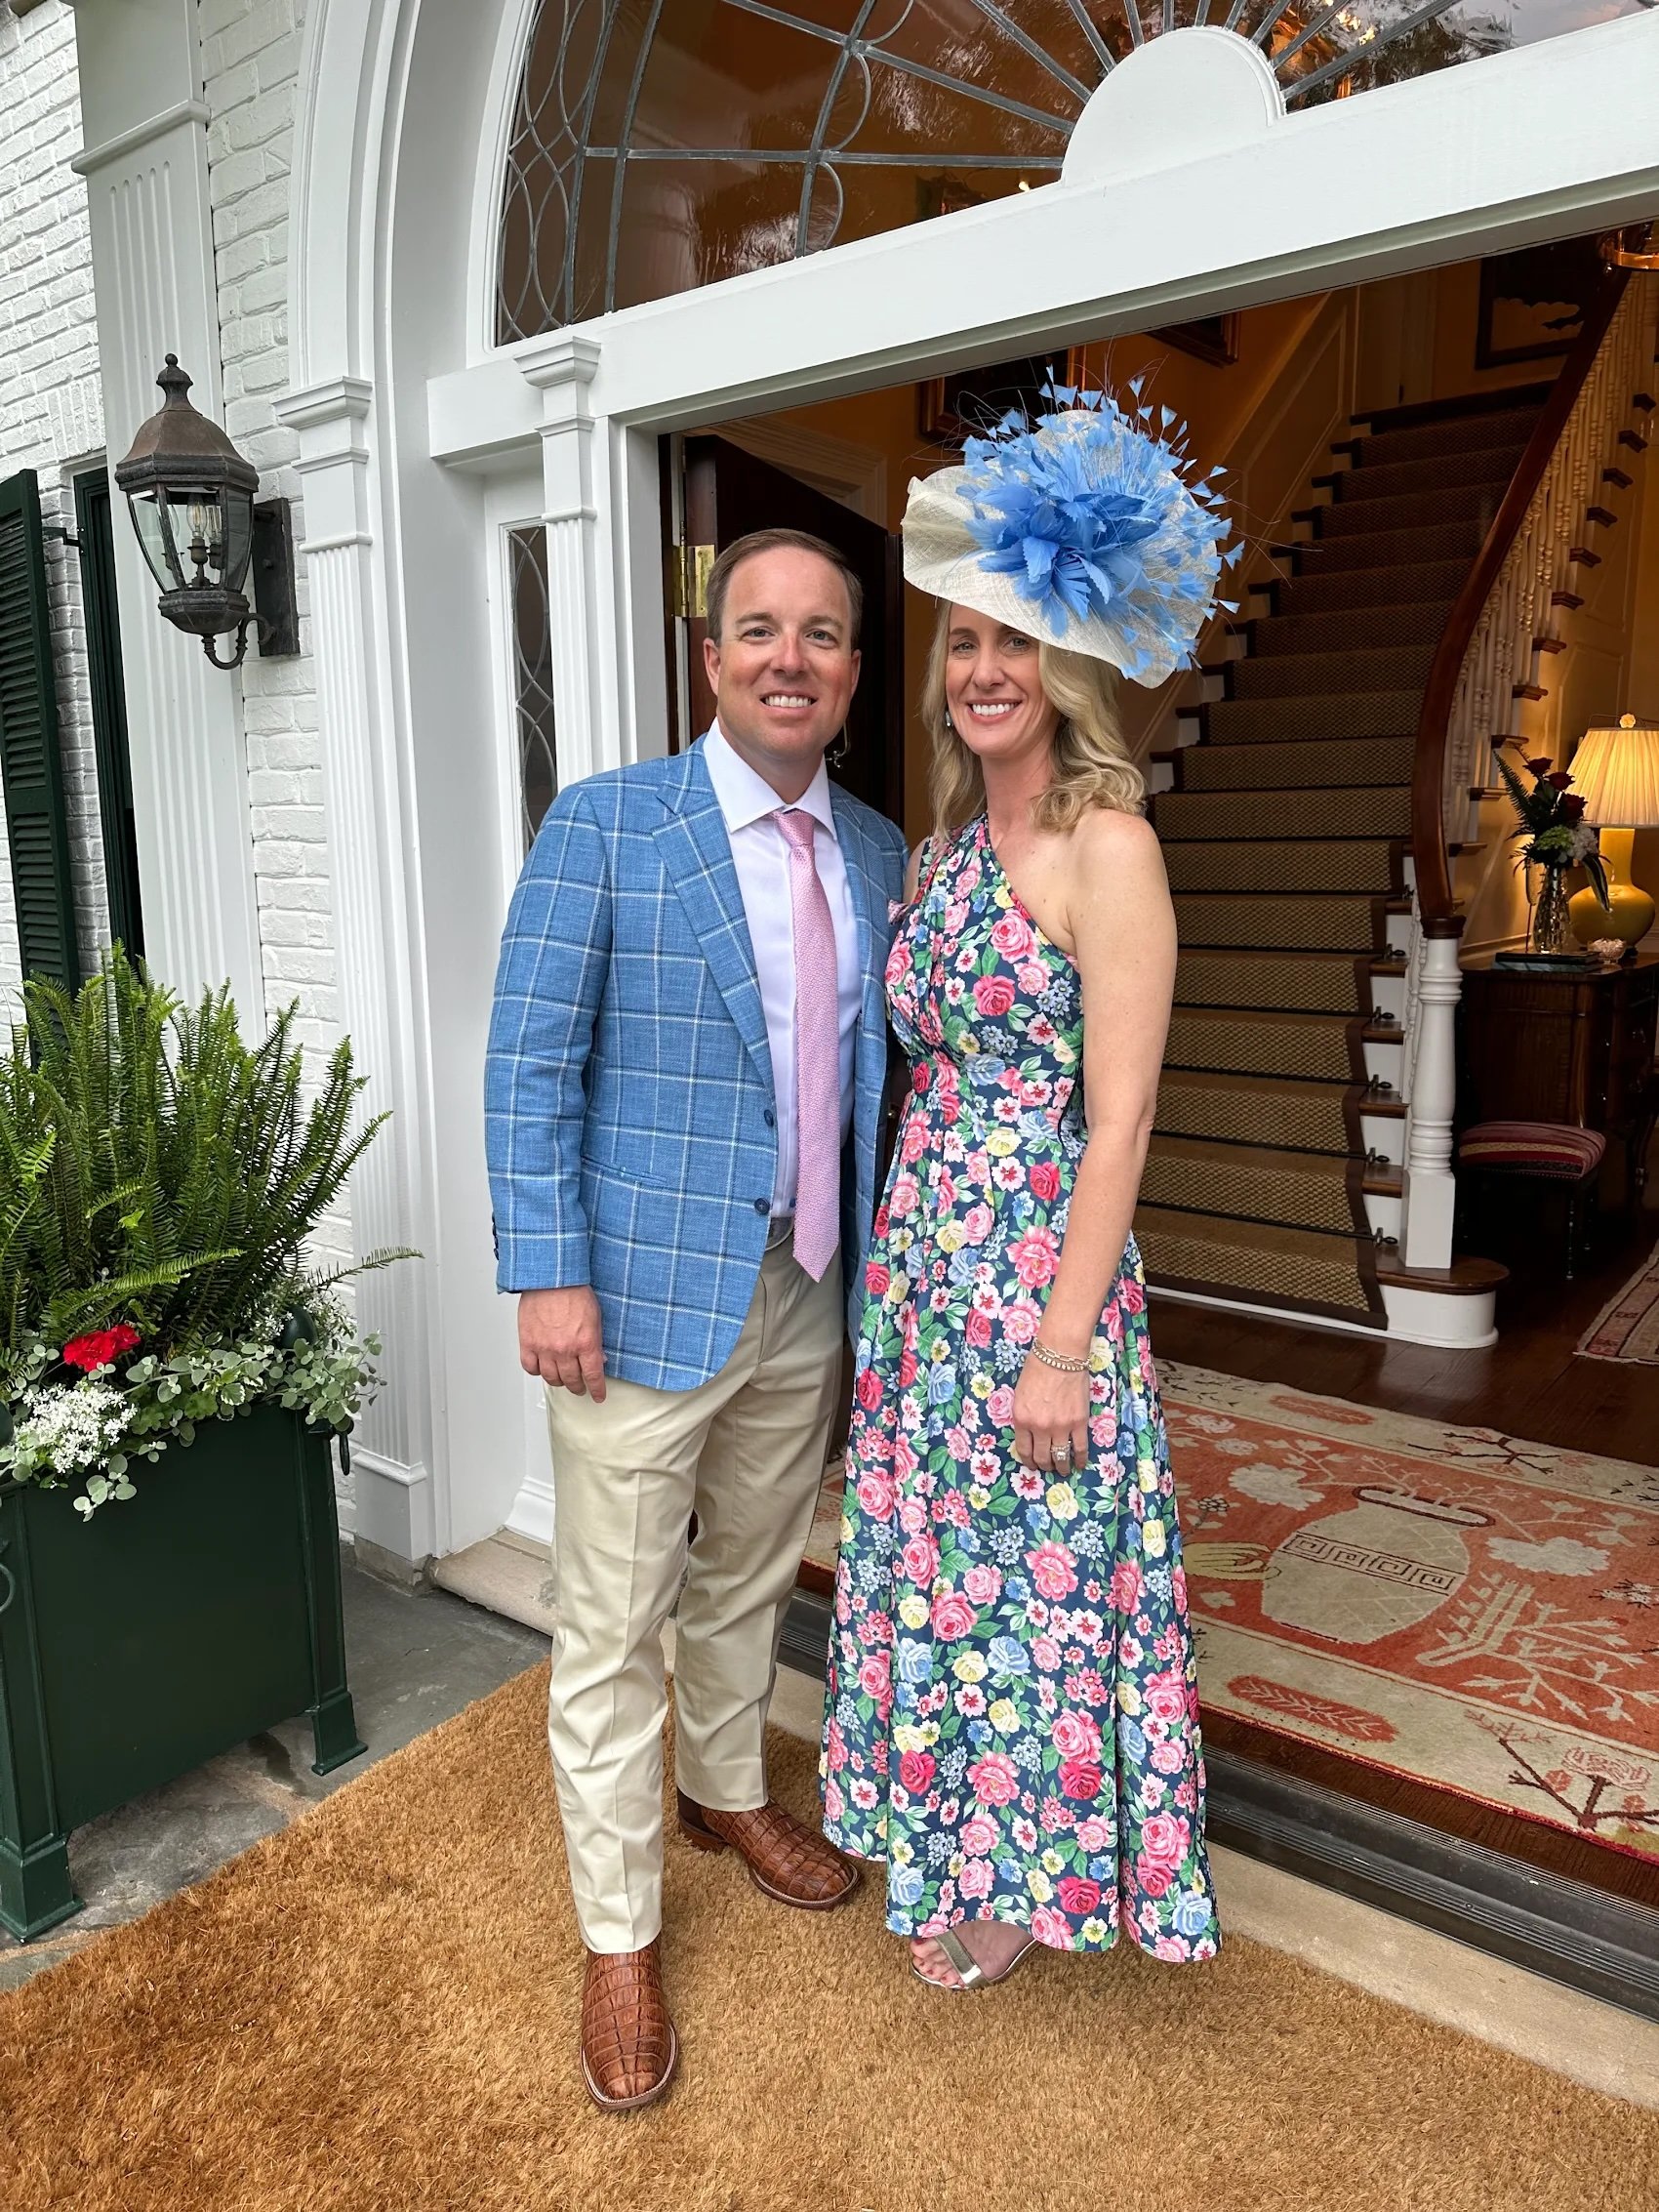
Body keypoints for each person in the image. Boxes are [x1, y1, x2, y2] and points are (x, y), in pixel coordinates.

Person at [486, 527, 908, 2109]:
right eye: (761, 630)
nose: (791, 657)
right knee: (611, 1625)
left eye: (823, 633)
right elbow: (530, 1057)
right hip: (634, 1300)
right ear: (711, 656)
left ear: (852, 670)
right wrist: (547, 1267)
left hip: (807, 1284)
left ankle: (725, 1789)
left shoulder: (877, 850)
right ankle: (618, 1935)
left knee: (749, 1572)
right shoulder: (608, 823)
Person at [821, 391, 1234, 1989]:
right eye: (962, 641)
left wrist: (1063, 1345)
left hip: (1037, 1279)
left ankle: (1020, 1879)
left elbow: (1122, 1120)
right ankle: (942, 1831)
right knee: (944, 1562)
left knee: (1032, 1579)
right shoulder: (938, 853)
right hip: (924, 1280)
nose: (981, 668)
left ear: (1067, 668)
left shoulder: (1106, 845)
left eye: (1017, 642)